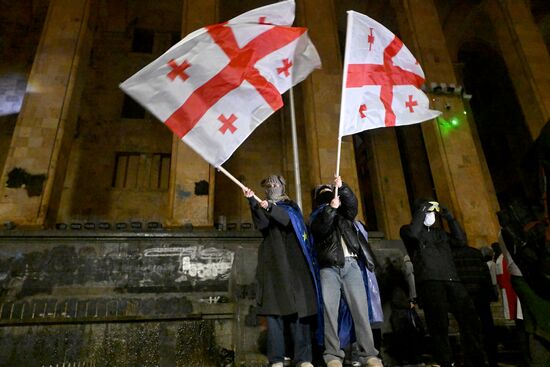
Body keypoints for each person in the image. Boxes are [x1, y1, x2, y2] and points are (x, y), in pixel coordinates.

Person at [400, 199, 486, 367]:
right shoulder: (409, 231)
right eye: (428, 213)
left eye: (432, 213)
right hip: (430, 282)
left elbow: (461, 241)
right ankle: (446, 361)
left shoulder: (440, 234)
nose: (430, 216)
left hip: (452, 280)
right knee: (439, 325)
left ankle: (475, 360)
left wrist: (450, 218)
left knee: (470, 321)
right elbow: (412, 234)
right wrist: (422, 210)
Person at [243, 175, 318, 367]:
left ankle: (303, 358)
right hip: (274, 266)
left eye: (275, 184)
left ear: (283, 186)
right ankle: (276, 358)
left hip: (294, 266)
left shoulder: (291, 207)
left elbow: (286, 220)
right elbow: (263, 224)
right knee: (273, 312)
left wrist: (270, 207)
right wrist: (252, 201)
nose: (272, 187)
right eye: (268, 185)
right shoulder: (264, 206)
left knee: (298, 312)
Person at [309, 176, 383, 367]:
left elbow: (352, 205)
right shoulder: (317, 216)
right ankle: (333, 355)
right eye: (324, 193)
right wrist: (330, 209)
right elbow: (320, 229)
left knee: (360, 310)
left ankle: (369, 355)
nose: (328, 195)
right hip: (329, 269)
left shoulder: (345, 215)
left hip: (351, 266)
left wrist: (343, 188)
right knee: (329, 312)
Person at [451, 242, 499, 367]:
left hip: (464, 297)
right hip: (481, 295)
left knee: (467, 330)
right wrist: (490, 294)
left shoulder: (452, 256)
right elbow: (485, 274)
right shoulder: (475, 252)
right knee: (487, 327)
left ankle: (473, 359)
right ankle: (493, 358)